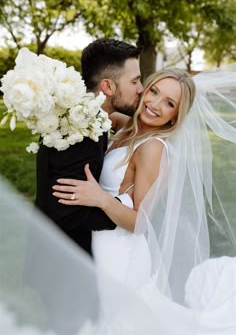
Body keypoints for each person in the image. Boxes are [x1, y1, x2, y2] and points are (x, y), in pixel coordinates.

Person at [52, 67, 236, 334]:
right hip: (100, 239)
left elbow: (141, 221)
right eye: (154, 91)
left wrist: (101, 199)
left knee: (120, 322)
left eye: (169, 103)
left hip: (120, 251)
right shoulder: (126, 126)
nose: (155, 104)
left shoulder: (153, 148)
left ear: (175, 116)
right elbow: (97, 109)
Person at [35, 38, 143, 255]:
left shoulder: (81, 116)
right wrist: (120, 209)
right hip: (66, 261)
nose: (141, 89)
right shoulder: (82, 132)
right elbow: (65, 210)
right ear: (108, 86)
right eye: (134, 81)